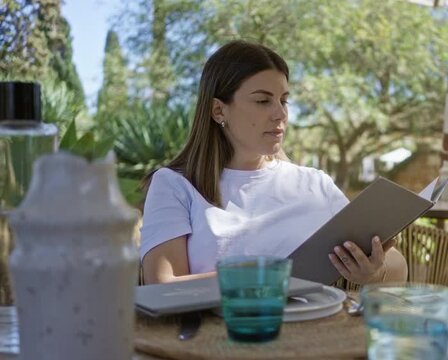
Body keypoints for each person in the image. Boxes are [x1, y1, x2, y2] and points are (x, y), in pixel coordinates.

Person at [140, 40, 408, 285]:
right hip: (223, 334)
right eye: (262, 100)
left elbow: (398, 265)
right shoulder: (174, 185)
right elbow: (164, 286)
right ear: (219, 110)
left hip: (318, 332)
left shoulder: (315, 184)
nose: (280, 113)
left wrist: (376, 271)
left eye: (283, 100)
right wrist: (272, 276)